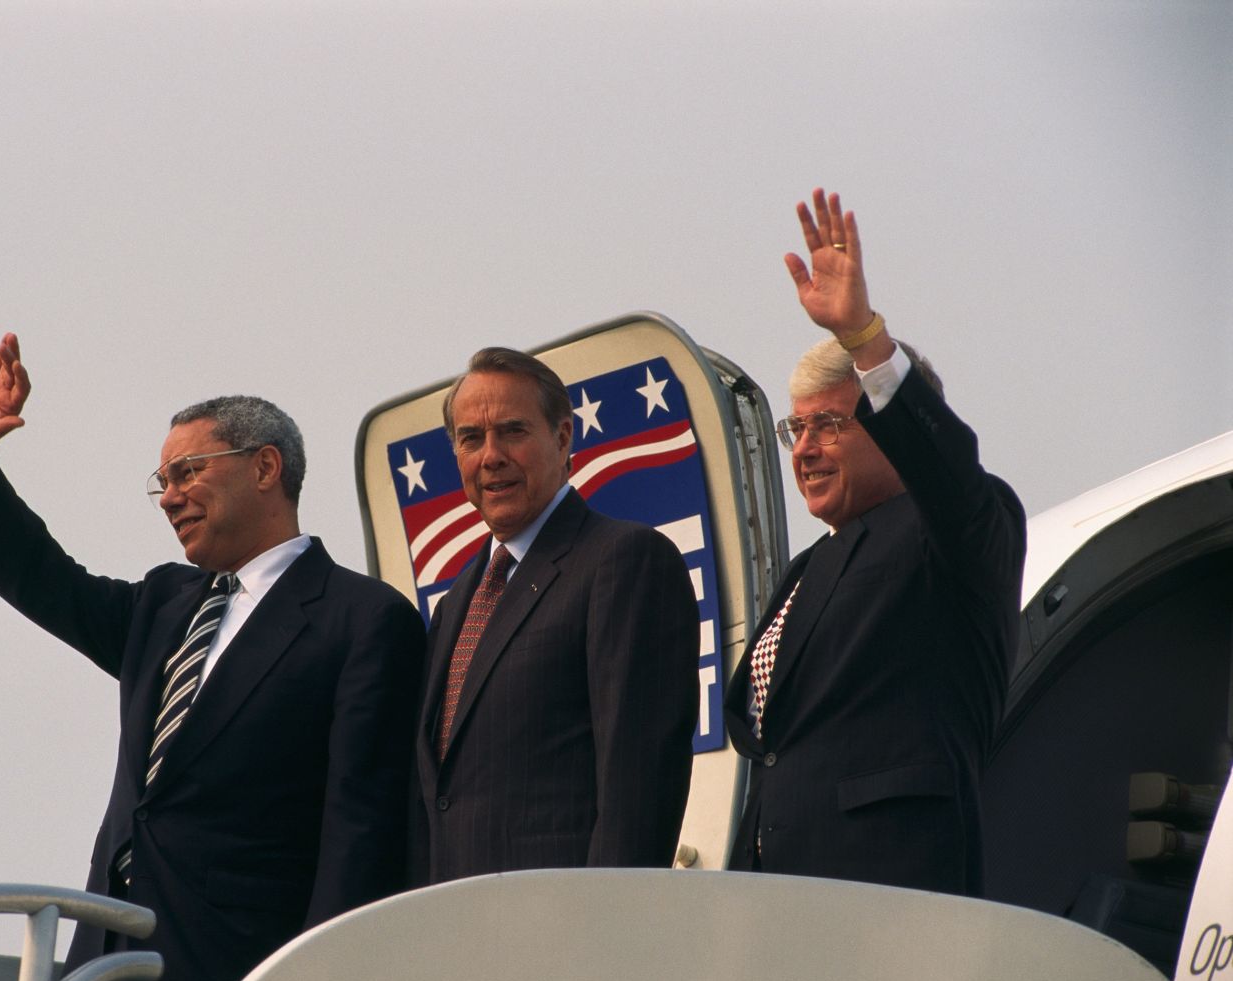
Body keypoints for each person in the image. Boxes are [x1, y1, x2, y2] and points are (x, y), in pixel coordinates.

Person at [0, 334, 424, 981]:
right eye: (161, 481)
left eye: (187, 472)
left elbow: (360, 828)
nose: (169, 497)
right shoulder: (164, 604)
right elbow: (43, 579)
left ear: (264, 467)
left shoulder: (362, 620)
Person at [721, 188, 1026, 895]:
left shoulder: (950, 531)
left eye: (829, 425)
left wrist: (866, 342)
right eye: (796, 431)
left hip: (890, 889)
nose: (805, 450)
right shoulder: (809, 567)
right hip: (776, 899)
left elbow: (948, 475)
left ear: (893, 432)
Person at [411, 347, 699, 886]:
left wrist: (604, 924)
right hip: (457, 928)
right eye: (471, 438)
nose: (490, 456)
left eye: (513, 432)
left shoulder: (623, 560)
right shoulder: (454, 607)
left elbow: (639, 781)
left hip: (563, 928)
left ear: (564, 438)